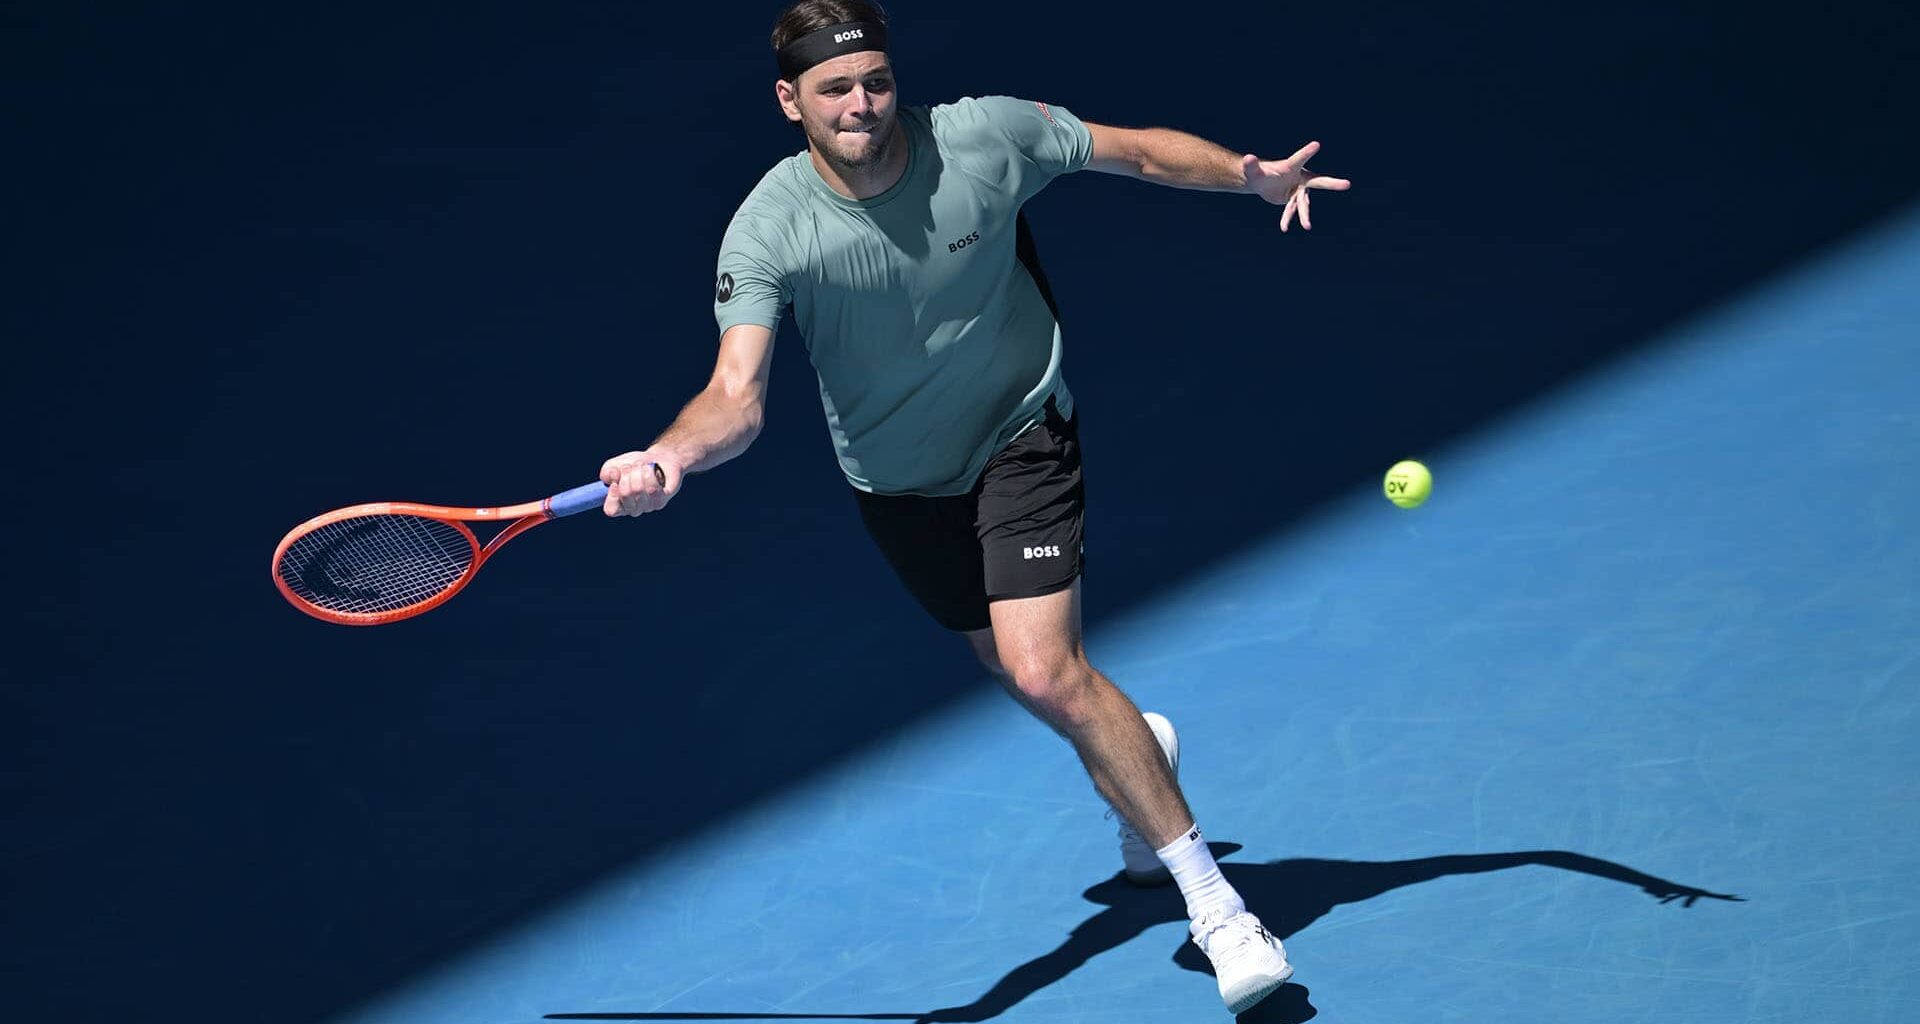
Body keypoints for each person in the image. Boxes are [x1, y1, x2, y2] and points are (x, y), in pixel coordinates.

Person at [597, 1, 1349, 1013]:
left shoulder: (984, 135)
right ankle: (1140, 754)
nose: (861, 103)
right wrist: (669, 455)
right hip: (898, 482)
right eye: (833, 89)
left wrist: (1247, 178)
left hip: (1021, 432)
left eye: (874, 80)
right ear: (789, 101)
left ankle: (1218, 908)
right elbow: (735, 396)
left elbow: (1133, 154)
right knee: (1010, 666)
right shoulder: (770, 227)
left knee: (1046, 670)